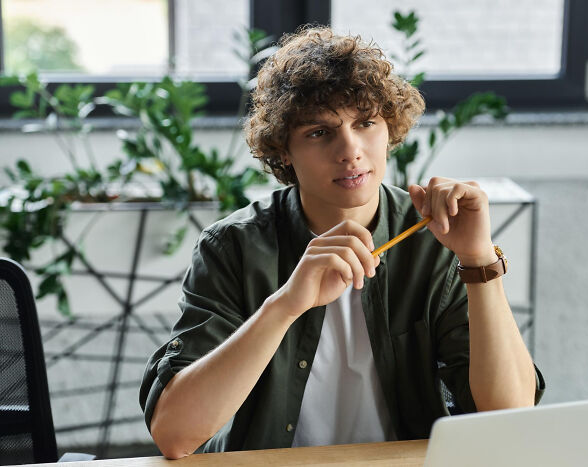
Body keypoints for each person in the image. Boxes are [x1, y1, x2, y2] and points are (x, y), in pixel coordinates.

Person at [139, 25, 544, 459]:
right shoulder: (233, 247)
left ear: (389, 131)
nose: (350, 150)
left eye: (365, 123)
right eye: (319, 131)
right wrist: (286, 305)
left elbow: (508, 412)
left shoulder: (434, 236)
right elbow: (175, 435)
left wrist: (478, 259)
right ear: (283, 151)